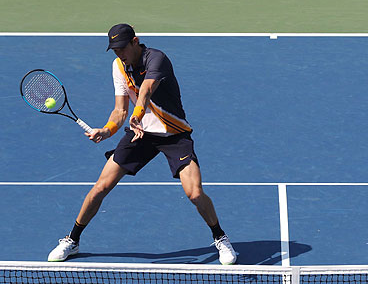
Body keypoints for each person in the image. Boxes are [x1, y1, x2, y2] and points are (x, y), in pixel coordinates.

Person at [47, 23, 238, 264]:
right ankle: (72, 240)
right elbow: (119, 110)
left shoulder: (157, 59)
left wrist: (136, 117)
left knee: (194, 192)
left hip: (174, 134)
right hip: (141, 134)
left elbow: (146, 90)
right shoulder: (118, 67)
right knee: (101, 186)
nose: (119, 54)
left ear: (135, 42)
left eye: (122, 48)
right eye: (114, 50)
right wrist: (106, 131)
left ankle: (220, 237)